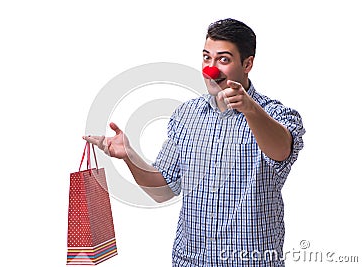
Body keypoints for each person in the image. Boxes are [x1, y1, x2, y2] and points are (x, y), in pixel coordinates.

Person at [84, 18, 305, 267]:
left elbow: (281, 150)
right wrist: (129, 156)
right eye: (206, 58)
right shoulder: (185, 115)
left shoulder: (275, 115)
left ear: (247, 64)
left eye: (223, 59)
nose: (211, 69)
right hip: (191, 260)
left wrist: (249, 109)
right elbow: (163, 190)